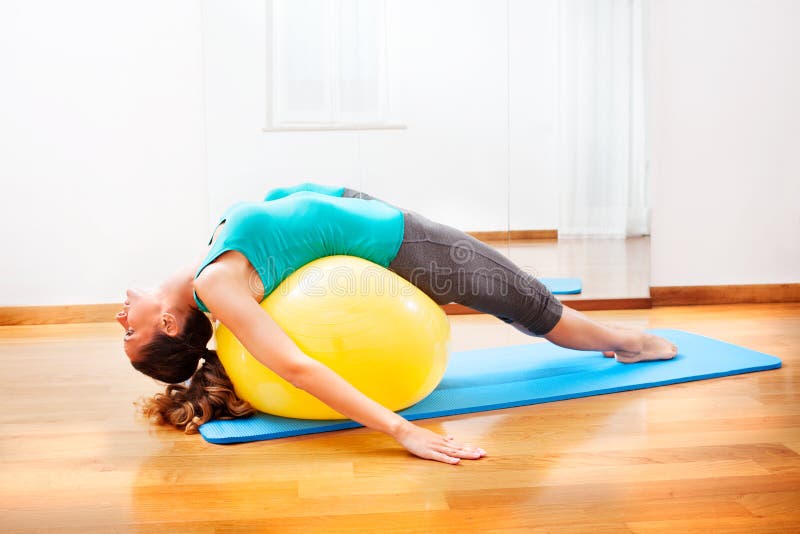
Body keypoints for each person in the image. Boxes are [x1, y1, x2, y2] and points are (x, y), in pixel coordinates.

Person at [119, 182, 677, 465]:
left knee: (518, 292)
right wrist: (401, 430)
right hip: (404, 247)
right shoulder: (216, 289)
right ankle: (629, 342)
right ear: (169, 323)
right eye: (128, 332)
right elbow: (296, 365)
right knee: (533, 306)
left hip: (380, 231)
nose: (120, 316)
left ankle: (615, 337)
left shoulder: (209, 270)